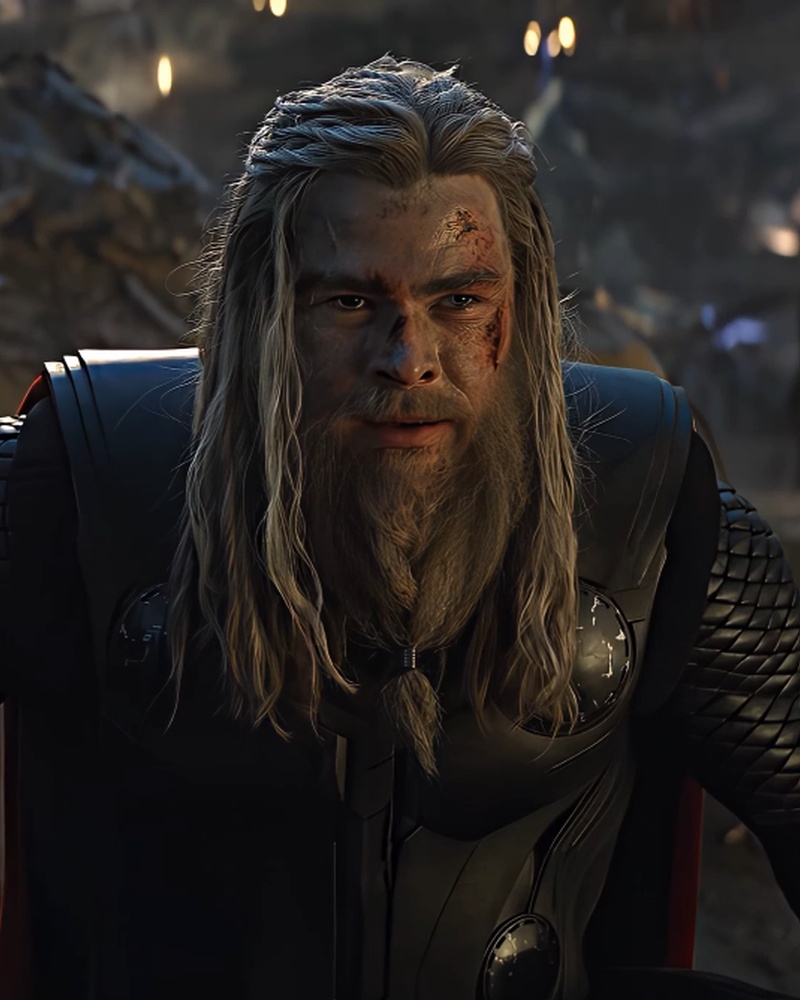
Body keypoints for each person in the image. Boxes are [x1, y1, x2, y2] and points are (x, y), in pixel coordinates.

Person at [1, 56, 799, 1000]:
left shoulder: (651, 501)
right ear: (263, 313)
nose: (409, 358)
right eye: (350, 303)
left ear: (518, 306)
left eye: (458, 301)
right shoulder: (76, 485)